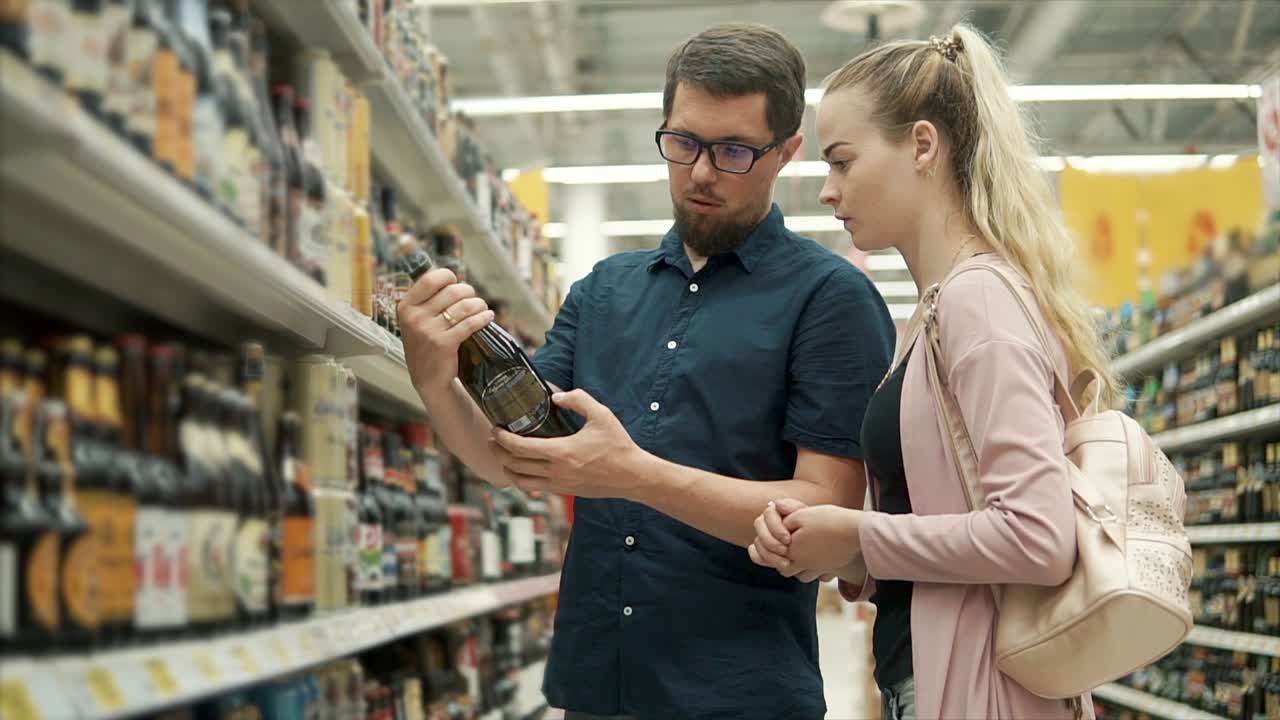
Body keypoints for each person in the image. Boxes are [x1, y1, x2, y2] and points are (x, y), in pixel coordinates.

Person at [397, 22, 895, 720]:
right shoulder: (603, 290)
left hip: (738, 697)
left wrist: (633, 474)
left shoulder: (829, 298)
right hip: (597, 687)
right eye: (683, 142)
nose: (699, 172)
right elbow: (515, 458)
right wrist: (433, 380)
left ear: (788, 151)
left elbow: (823, 515)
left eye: (734, 151)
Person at [749, 25, 1116, 720]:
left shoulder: (978, 301)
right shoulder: (936, 312)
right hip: (939, 677)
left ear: (922, 145)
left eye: (843, 162)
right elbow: (941, 522)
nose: (829, 191)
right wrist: (835, 549)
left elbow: (1037, 536)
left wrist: (857, 537)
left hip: (986, 688)